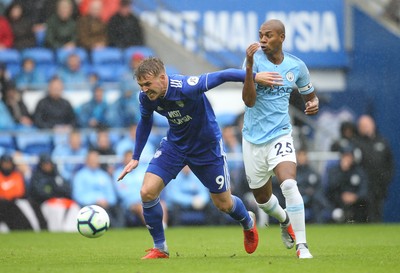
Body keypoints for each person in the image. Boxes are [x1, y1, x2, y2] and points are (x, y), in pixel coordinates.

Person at [117, 56, 280, 259]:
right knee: (147, 192)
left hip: (206, 147)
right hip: (175, 146)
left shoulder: (186, 87)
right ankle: (160, 248)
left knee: (224, 204)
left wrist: (255, 77)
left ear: (162, 77)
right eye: (141, 85)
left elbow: (223, 75)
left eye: (148, 84)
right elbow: (145, 120)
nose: (144, 89)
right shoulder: (145, 98)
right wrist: (136, 156)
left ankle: (247, 221)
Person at [241, 19, 319, 258]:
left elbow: (310, 96)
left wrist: (313, 104)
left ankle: (302, 246)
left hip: (281, 134)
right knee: (263, 200)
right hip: (253, 139)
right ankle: (285, 221)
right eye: (260, 35)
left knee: (288, 184)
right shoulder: (253, 60)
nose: (263, 40)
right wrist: (252, 72)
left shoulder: (296, 66)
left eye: (268, 36)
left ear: (282, 37)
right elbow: (248, 101)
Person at [353, 115, 394, 222]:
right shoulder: (356, 143)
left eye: (367, 125)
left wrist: (386, 178)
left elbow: (390, 163)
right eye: (362, 125)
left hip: (379, 185)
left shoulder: (382, 142)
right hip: (362, 185)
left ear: (373, 125)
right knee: (363, 213)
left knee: (377, 211)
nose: (365, 127)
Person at [326, 145, 369, 223]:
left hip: (356, 204)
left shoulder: (359, 171)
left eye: (349, 156)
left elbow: (364, 189)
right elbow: (331, 187)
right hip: (337, 203)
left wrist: (355, 197)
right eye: (345, 156)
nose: (347, 159)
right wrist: (343, 171)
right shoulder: (334, 171)